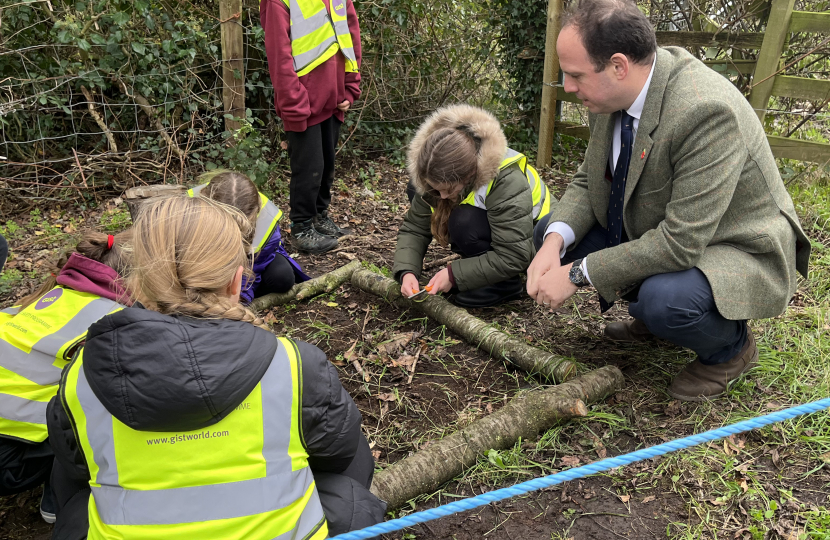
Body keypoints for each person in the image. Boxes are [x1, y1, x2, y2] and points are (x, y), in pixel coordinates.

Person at [46, 196, 385, 540]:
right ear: (237, 282)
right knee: (351, 453)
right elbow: (339, 454)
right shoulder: (295, 363)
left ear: (135, 281)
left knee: (69, 482)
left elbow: (76, 468)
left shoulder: (81, 376)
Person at [527, 0, 810, 401]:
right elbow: (589, 182)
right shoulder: (608, 94)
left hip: (733, 242)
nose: (568, 87)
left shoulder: (704, 110)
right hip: (665, 227)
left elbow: (680, 243)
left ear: (618, 66)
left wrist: (576, 274)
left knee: (666, 301)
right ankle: (653, 318)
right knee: (551, 232)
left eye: (574, 75)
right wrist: (554, 244)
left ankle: (731, 350)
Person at [0, 230, 131, 524]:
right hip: (8, 459)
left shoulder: (41, 298)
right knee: (101, 401)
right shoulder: (112, 318)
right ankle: (61, 498)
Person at [393, 104, 554, 308]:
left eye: (449, 189)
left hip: (536, 242)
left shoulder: (506, 180)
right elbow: (415, 228)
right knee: (418, 191)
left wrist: (453, 275)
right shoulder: (435, 176)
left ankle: (504, 283)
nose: (441, 196)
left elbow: (515, 254)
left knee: (464, 220)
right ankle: (479, 272)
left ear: (469, 176)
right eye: (436, 189)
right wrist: (407, 271)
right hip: (506, 238)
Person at [260, 0, 362, 254]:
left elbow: (349, 37)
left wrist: (351, 85)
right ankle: (302, 226)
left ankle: (319, 216)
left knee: (326, 163)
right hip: (302, 102)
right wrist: (293, 102)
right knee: (308, 167)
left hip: (334, 98)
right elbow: (279, 56)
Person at [189, 169, 310, 303]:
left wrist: (240, 297)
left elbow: (255, 266)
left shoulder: (266, 224)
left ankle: (250, 293)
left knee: (282, 277)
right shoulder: (188, 210)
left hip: (253, 263)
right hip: (206, 263)